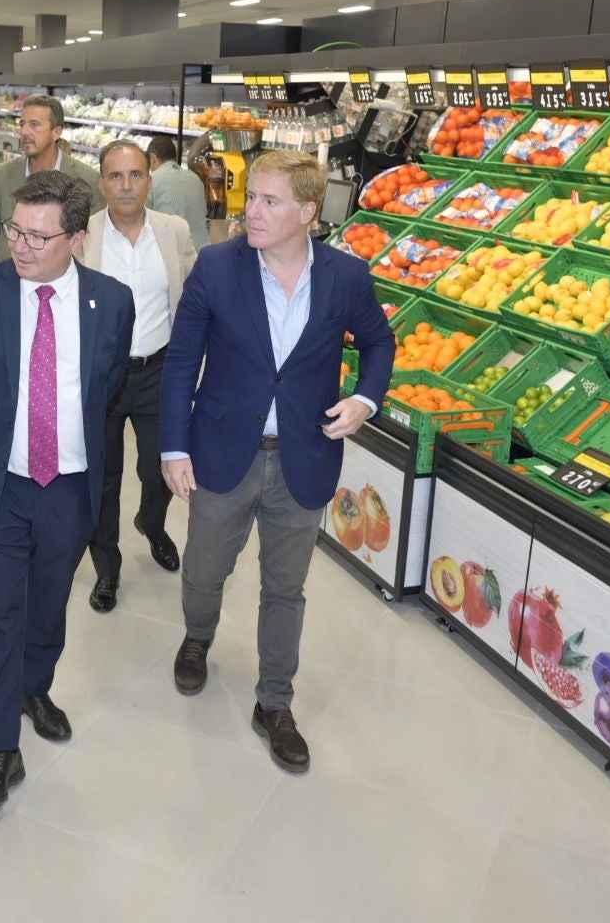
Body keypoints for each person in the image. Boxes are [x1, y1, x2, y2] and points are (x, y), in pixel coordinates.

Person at [159, 149, 395, 774]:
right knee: (205, 569)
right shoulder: (215, 268)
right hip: (222, 450)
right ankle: (198, 634)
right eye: (250, 199)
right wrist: (174, 446)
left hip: (304, 455)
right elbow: (183, 361)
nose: (249, 213)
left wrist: (366, 398)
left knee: (285, 589)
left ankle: (275, 703)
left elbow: (378, 341)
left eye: (269, 202)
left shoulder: (346, 277)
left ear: (308, 213)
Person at [0, 170, 134, 811]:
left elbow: (105, 390)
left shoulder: (112, 301)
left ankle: (34, 687)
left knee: (49, 603)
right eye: (14, 230)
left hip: (71, 485)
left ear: (76, 239)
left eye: (38, 237)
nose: (20, 245)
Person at [75, 141, 196, 613]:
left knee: (160, 467)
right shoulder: (83, 236)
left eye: (136, 175)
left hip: (158, 370)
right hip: (101, 375)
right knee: (102, 478)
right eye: (116, 176)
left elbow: (189, 296)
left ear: (150, 178)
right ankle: (107, 567)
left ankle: (152, 521)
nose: (126, 186)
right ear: (101, 183)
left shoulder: (173, 231)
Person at [0, 96, 102, 265]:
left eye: (34, 125)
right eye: (22, 124)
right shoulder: (2, 174)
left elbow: (92, 245)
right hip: (10, 280)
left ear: (57, 132)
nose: (24, 132)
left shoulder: (87, 178)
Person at [147, 135, 209, 249]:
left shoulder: (152, 180)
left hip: (170, 253)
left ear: (152, 158)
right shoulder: (195, 179)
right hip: (201, 252)